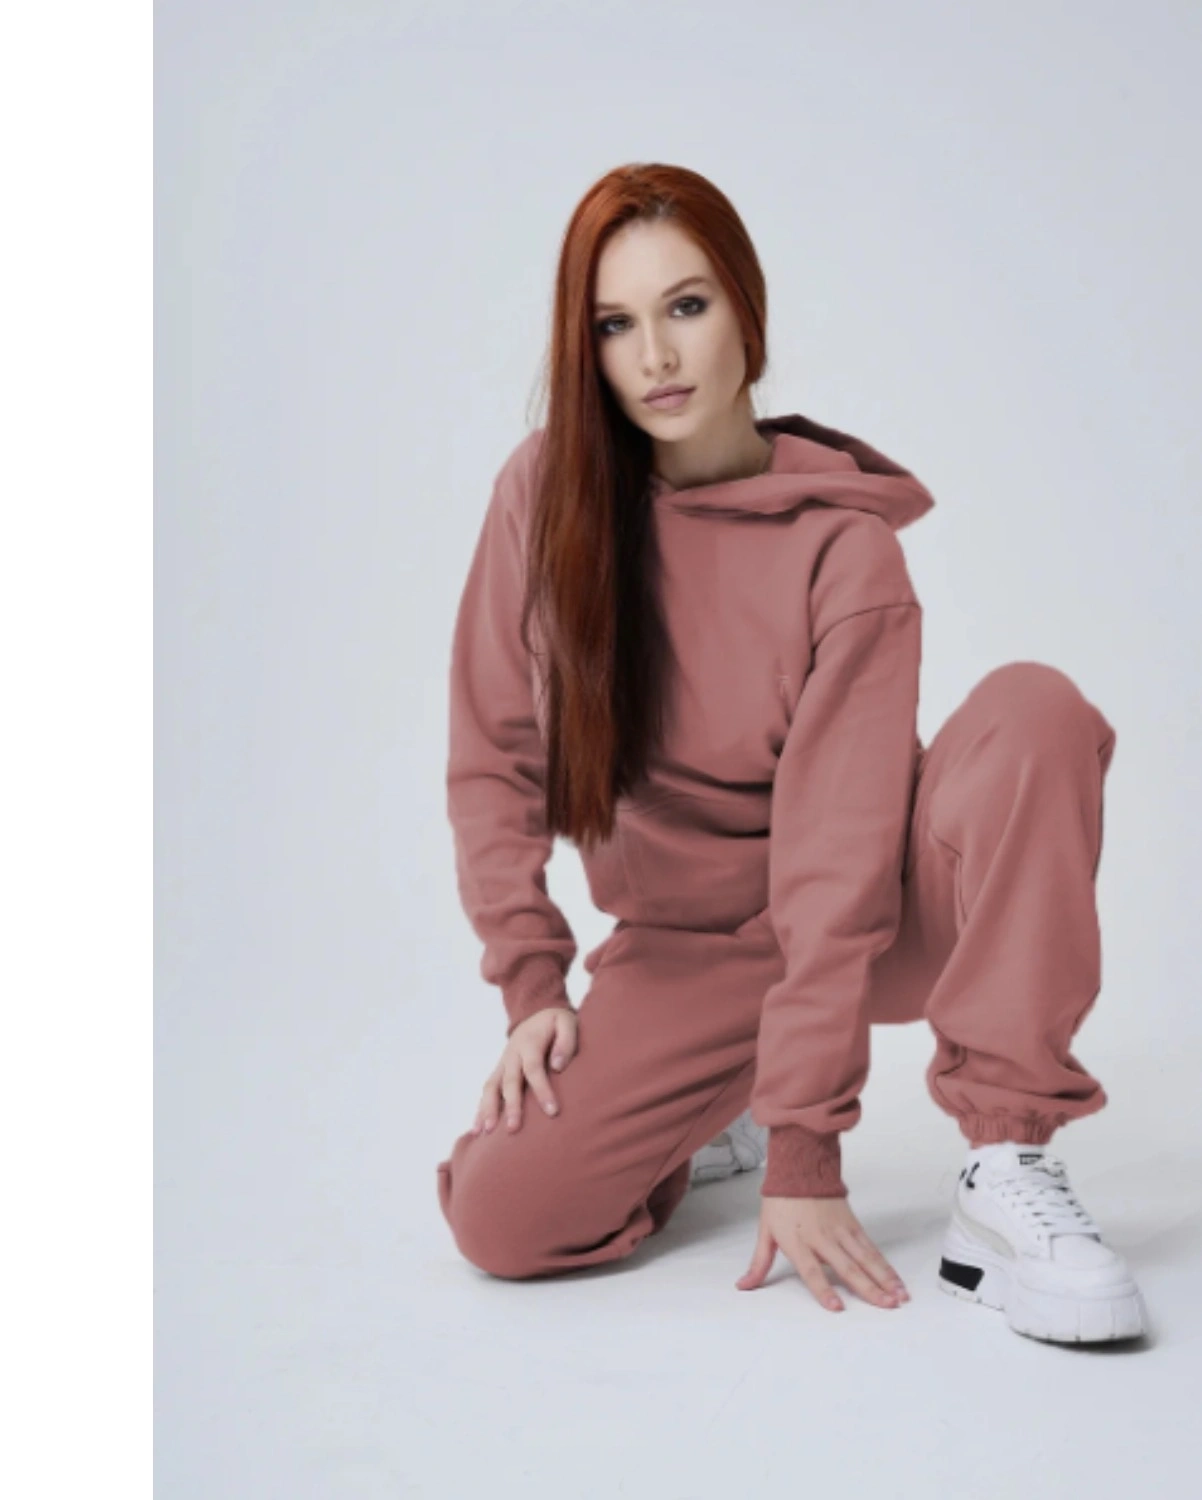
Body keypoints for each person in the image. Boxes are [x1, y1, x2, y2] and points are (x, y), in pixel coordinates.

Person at [434, 162, 1147, 1344]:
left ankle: (1005, 1166)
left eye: (687, 306)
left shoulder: (841, 546)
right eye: (615, 325)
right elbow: (492, 751)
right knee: (501, 1221)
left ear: (746, 312)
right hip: (686, 956)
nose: (657, 356)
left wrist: (807, 1147)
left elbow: (837, 850)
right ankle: (716, 1109)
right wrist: (532, 986)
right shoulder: (546, 497)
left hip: (877, 920)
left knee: (1036, 712)